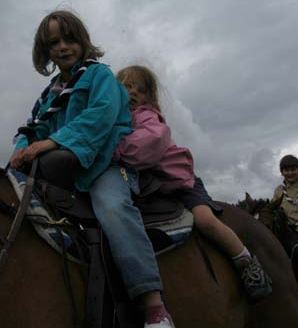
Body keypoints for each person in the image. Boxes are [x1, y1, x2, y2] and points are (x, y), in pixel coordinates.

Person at [9, 11, 174, 328]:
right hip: (65, 170)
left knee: (113, 209)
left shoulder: (101, 76)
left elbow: (100, 116)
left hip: (103, 167)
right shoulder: (50, 94)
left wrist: (53, 142)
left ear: (82, 41)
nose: (62, 47)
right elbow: (32, 129)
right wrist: (21, 150)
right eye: (53, 42)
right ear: (45, 50)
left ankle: (154, 306)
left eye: (69, 38)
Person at [113, 65, 272, 301]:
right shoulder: (118, 120)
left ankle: (246, 262)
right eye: (126, 86)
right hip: (154, 186)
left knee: (205, 220)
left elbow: (147, 145)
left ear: (150, 98)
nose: (133, 93)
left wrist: (113, 148)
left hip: (182, 183)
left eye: (140, 89)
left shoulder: (148, 117)